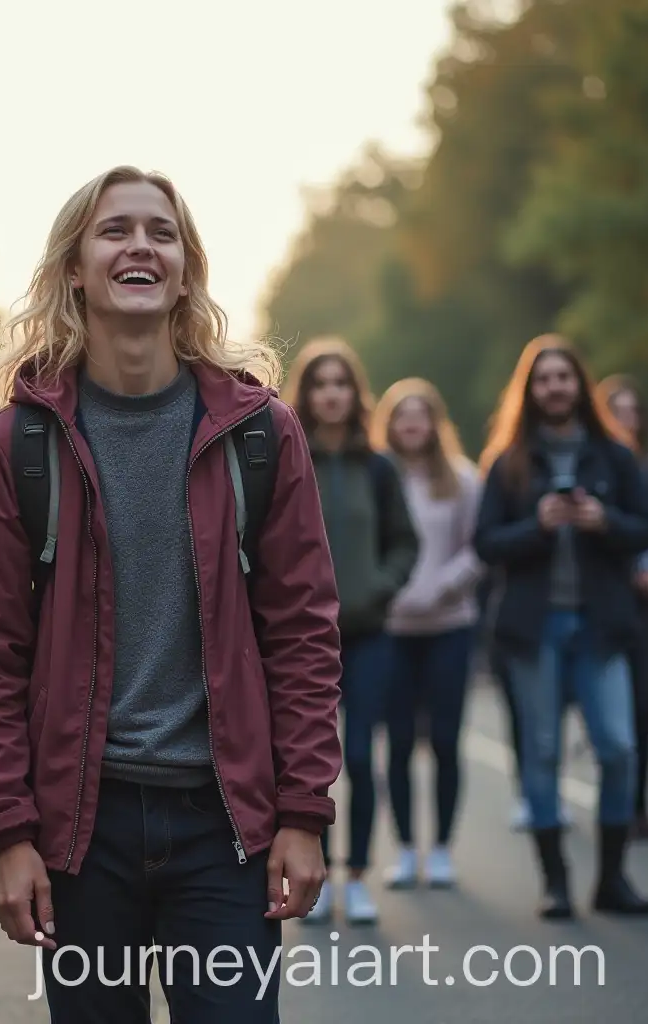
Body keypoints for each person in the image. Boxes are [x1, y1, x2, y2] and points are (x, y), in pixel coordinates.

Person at [0, 165, 343, 1023]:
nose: (141, 246)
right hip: (81, 832)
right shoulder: (17, 445)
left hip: (226, 827)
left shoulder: (260, 435)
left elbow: (304, 636)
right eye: (115, 230)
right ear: (74, 270)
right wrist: (11, 833)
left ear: (187, 271)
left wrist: (304, 813)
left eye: (162, 233)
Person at [474, 335, 648, 918]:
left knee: (619, 748)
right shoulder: (508, 462)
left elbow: (646, 529)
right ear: (529, 390)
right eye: (544, 379)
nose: (555, 387)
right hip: (534, 630)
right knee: (543, 751)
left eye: (564, 376)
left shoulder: (615, 457)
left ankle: (612, 879)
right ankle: (555, 881)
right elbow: (485, 543)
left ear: (580, 384)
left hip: (601, 626)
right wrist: (539, 525)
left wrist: (605, 520)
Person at [281, 338, 418, 924]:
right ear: (306, 394)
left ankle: (356, 875)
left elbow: (405, 542)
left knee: (360, 755)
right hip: (299, 641)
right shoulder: (288, 459)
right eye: (320, 384)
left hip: (367, 635)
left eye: (341, 383)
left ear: (354, 393)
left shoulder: (378, 467)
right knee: (306, 765)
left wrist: (379, 586)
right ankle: (312, 875)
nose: (331, 394)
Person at [370, 378, 483, 888]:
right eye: (403, 415)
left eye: (421, 415)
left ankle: (440, 850)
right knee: (396, 742)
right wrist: (384, 592)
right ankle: (405, 849)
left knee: (444, 740)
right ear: (390, 423)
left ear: (436, 423)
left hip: (448, 625)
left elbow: (478, 548)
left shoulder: (463, 479)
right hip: (391, 629)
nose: (412, 424)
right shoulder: (377, 478)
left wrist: (444, 586)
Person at [597, 375, 648, 839]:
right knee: (633, 710)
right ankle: (629, 807)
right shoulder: (601, 470)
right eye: (615, 411)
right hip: (623, 604)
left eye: (632, 412)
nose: (626, 421)